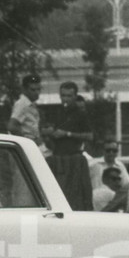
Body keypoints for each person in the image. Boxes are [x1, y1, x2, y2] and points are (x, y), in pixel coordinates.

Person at [45, 81, 94, 211]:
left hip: (74, 159)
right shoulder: (56, 112)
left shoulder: (81, 114)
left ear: (75, 96)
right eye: (63, 95)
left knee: (75, 196)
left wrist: (67, 134)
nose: (65, 99)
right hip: (57, 159)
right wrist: (50, 133)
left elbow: (90, 136)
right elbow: (48, 138)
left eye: (69, 96)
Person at [6, 74, 46, 154]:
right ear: (24, 89)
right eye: (33, 90)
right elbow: (12, 126)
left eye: (38, 89)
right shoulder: (22, 104)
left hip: (32, 146)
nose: (37, 93)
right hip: (26, 147)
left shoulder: (31, 104)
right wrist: (27, 142)